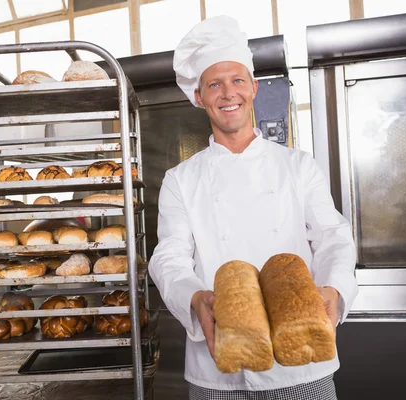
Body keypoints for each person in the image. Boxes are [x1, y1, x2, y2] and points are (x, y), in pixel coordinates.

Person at [147, 15, 359, 400]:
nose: (228, 93)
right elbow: (169, 258)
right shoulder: (181, 179)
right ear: (199, 97)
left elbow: (334, 237)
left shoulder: (298, 166)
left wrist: (335, 289)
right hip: (217, 370)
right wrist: (195, 298)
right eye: (214, 84)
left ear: (254, 88)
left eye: (237, 81)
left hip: (302, 370)